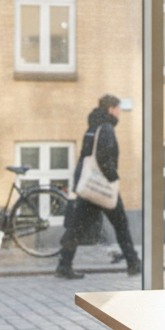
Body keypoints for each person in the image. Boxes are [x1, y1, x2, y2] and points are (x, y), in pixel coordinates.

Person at [56, 94, 142, 279]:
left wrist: (79, 183)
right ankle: (133, 263)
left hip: (89, 187)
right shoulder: (107, 128)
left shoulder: (92, 127)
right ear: (111, 109)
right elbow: (104, 157)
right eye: (118, 108)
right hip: (102, 187)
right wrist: (113, 179)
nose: (119, 112)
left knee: (77, 228)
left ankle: (63, 265)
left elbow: (84, 157)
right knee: (121, 225)